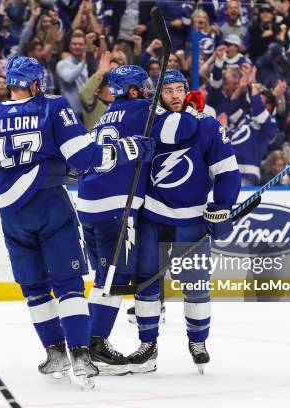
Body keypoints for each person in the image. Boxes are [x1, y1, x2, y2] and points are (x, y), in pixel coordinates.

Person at [0, 56, 155, 389]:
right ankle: (80, 355)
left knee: (34, 289)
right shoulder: (52, 107)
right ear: (34, 84)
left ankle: (54, 352)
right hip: (50, 205)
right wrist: (127, 148)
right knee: (69, 283)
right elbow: (86, 159)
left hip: (11, 214)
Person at [77, 65, 198, 376]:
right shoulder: (145, 110)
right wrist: (192, 107)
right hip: (115, 208)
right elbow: (180, 129)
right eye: (145, 87)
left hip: (88, 205)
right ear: (132, 90)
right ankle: (94, 345)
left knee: (104, 277)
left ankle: (88, 342)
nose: (151, 92)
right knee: (114, 279)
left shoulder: (106, 115)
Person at [137, 69, 240, 373]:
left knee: (195, 284)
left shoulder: (207, 126)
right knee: (147, 284)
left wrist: (222, 206)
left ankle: (198, 341)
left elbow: (227, 170)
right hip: (152, 216)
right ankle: (147, 343)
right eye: (167, 91)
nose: (175, 96)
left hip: (192, 218)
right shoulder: (149, 124)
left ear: (186, 91)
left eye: (179, 89)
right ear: (158, 95)